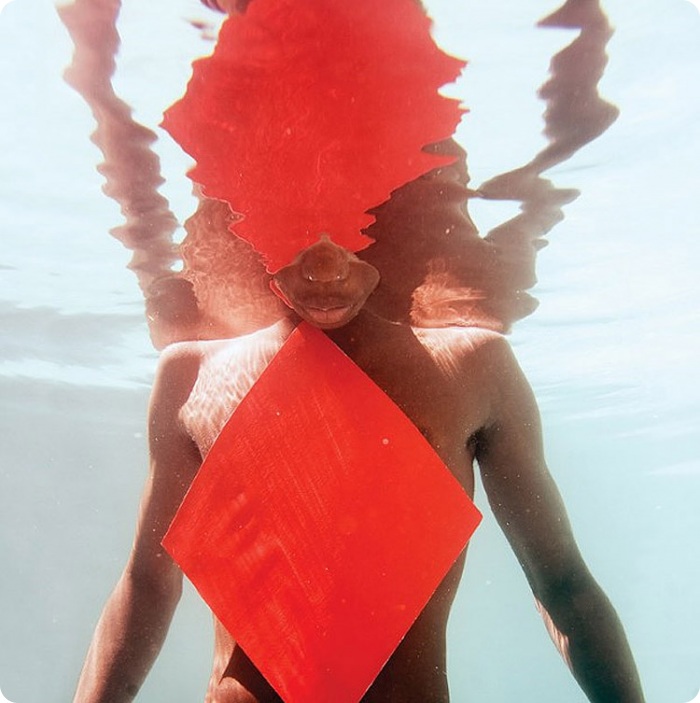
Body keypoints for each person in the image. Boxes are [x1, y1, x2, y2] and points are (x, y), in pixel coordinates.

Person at [72, 1, 646, 701]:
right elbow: (145, 586)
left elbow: (562, 583)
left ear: (390, 215)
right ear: (248, 224)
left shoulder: (474, 368)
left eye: (350, 227)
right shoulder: (192, 377)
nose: (323, 268)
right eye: (293, 231)